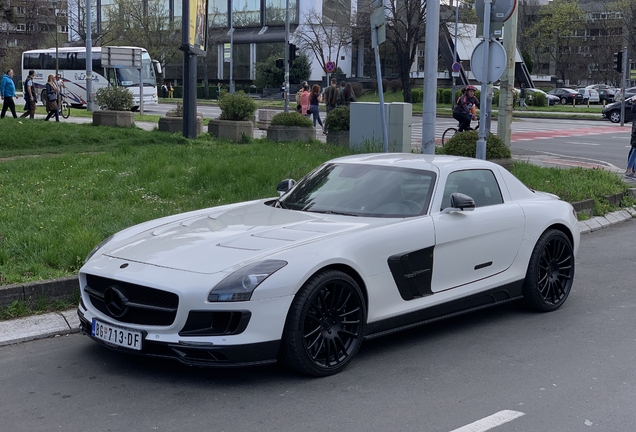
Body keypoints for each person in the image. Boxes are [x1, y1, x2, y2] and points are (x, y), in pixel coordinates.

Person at [626, 96, 636, 177]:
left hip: (634, 133)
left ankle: (630, 169)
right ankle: (631, 170)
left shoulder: (634, 108)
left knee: (634, 151)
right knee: (634, 151)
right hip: (635, 133)